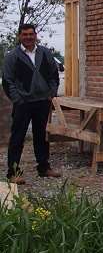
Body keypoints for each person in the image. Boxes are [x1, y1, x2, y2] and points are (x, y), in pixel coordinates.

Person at [2, 24, 61, 184]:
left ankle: (44, 168)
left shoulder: (45, 53)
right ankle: (13, 172)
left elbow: (53, 75)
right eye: (24, 34)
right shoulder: (12, 56)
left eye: (31, 34)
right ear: (19, 36)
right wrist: (19, 100)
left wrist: (51, 94)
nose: (28, 37)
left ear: (35, 35)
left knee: (41, 137)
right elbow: (8, 81)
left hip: (42, 102)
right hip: (23, 103)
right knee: (18, 138)